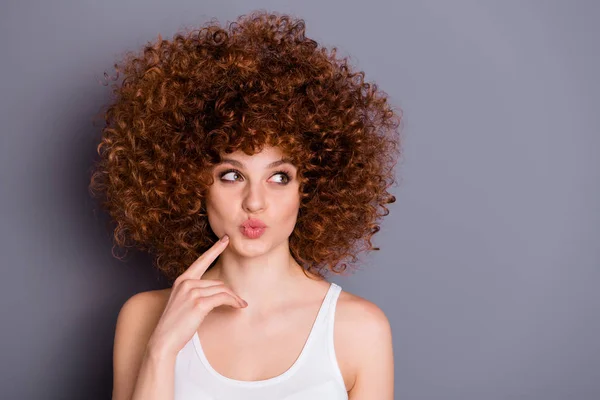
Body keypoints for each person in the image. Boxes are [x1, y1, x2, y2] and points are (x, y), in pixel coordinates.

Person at [89, 10, 402, 400]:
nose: (254, 202)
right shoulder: (144, 318)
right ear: (189, 181)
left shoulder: (359, 329)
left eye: (279, 177)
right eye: (232, 175)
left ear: (312, 188)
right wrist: (161, 349)